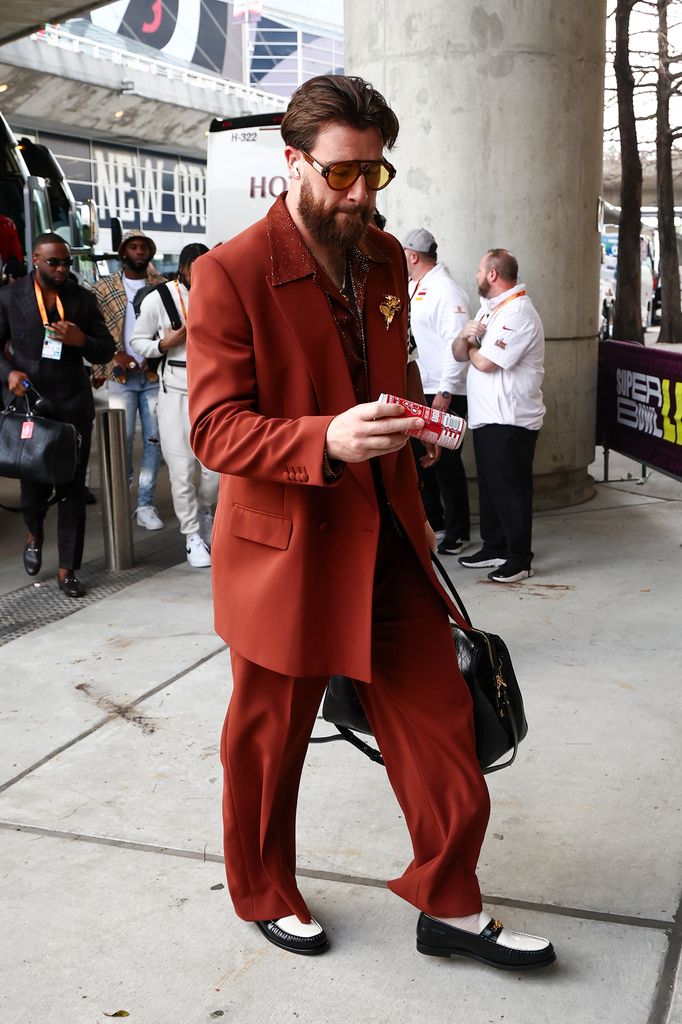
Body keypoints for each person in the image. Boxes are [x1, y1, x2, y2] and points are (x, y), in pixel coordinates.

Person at [187, 75, 554, 969]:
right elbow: (213, 429)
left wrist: (411, 436)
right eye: (341, 175)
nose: (358, 195)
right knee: (269, 742)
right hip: (287, 550)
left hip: (389, 537)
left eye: (374, 175)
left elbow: (379, 381)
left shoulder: (387, 260)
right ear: (294, 164)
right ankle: (264, 888)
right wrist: (327, 438)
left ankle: (448, 900)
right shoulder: (229, 274)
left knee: (444, 726)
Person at [0, 233, 115, 597]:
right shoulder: (9, 297)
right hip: (31, 406)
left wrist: (81, 340)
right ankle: (34, 535)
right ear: (36, 259)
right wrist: (9, 374)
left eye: (66, 262)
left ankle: (69, 569)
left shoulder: (82, 299)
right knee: (32, 488)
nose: (63, 268)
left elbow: (106, 349)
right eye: (54, 262)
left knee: (72, 490)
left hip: (73, 407)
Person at [453, 249, 545, 583]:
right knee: (492, 489)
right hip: (488, 417)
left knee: (511, 490)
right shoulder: (489, 310)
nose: (476, 275)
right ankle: (495, 546)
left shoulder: (518, 312)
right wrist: (466, 336)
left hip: (511, 420)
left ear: (493, 274)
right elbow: (459, 352)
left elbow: (484, 362)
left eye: (479, 270)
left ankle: (520, 558)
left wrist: (472, 343)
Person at [130, 243, 218, 567]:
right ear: (183, 267)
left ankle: (206, 512)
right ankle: (192, 534)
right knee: (181, 469)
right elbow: (137, 340)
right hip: (175, 390)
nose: (201, 272)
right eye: (195, 266)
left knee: (215, 469)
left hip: (211, 388)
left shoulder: (218, 292)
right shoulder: (160, 297)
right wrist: (163, 344)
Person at [91, 229, 165, 530]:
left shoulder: (161, 286)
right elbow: (95, 330)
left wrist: (155, 353)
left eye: (142, 247)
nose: (138, 251)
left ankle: (145, 503)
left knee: (153, 440)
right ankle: (122, 496)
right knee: (120, 441)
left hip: (152, 374)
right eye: (132, 247)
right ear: (123, 252)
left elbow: (168, 326)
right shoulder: (104, 287)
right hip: (120, 375)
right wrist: (107, 362)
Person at [403, 227, 471, 556]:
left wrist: (446, 390)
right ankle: (437, 521)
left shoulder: (446, 290)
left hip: (443, 390)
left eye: (403, 254)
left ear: (413, 256)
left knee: (447, 463)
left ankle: (459, 531)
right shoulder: (416, 286)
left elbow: (455, 344)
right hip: (423, 387)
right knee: (423, 460)